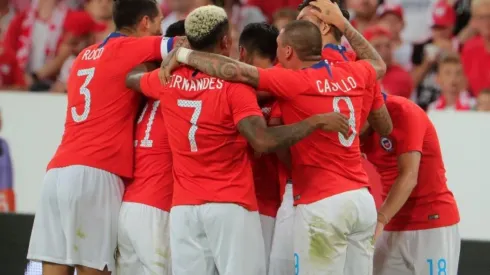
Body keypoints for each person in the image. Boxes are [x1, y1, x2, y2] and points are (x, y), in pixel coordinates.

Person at [159, 2, 387, 273]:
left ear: (289, 51)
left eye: (279, 46)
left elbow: (236, 72)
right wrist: (345, 24)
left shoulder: (294, 81)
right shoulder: (354, 72)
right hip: (361, 201)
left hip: (323, 202)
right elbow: (378, 65)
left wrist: (184, 55)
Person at [26, 0, 181, 274]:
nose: (160, 31)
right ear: (145, 22)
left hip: (57, 172)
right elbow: (182, 46)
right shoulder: (129, 47)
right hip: (97, 174)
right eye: (158, 24)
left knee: (53, 268)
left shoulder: (84, 55)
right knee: (94, 269)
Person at [360, 94, 461, 275]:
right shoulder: (352, 129)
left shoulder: (403, 112)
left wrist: (380, 219)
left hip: (431, 220)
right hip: (393, 222)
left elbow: (409, 176)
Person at [116, 20, 187, 275]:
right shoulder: (183, 91)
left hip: (127, 210)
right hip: (157, 209)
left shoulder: (146, 91)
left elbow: (131, 76)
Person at [298, 0, 393, 137]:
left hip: (306, 155)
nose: (295, 27)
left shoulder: (297, 64)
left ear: (324, 27)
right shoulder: (363, 67)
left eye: (302, 21)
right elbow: (385, 128)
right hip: (350, 154)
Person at [237, 22, 282, 274]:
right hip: (278, 206)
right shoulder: (289, 85)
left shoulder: (230, 86)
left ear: (242, 52)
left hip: (243, 205)